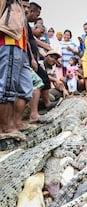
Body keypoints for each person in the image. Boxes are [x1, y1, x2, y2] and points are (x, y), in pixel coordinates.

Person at [0, 0, 32, 137]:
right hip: (8, 41)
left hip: (21, 46)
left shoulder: (18, 4)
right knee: (7, 87)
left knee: (24, 87)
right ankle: (6, 127)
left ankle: (16, 122)